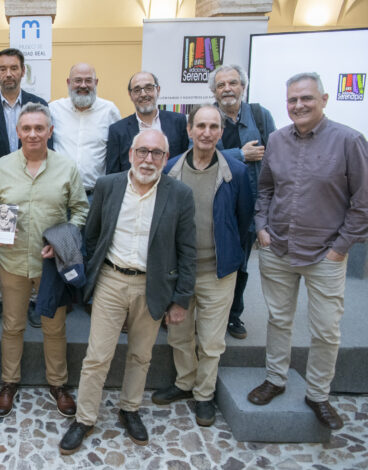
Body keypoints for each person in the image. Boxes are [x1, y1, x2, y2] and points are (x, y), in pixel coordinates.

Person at [59, 129, 196, 453]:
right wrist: (93, 275)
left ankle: (129, 408)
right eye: (143, 151)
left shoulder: (179, 194)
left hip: (153, 286)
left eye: (157, 153)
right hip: (111, 280)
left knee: (141, 354)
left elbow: (187, 250)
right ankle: (85, 417)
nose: (149, 159)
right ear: (131, 153)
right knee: (97, 356)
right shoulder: (109, 185)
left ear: (166, 157)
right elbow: (91, 236)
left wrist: (180, 300)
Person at [248, 72, 368, 430]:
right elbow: (265, 189)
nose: (298, 106)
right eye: (292, 100)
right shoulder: (276, 140)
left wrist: (339, 249)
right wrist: (262, 229)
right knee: (279, 320)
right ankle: (275, 379)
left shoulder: (350, 141)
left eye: (306, 99)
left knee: (326, 330)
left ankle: (318, 395)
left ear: (325, 99)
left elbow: (362, 203)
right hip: (278, 249)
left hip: (325, 255)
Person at [0, 102, 88, 418]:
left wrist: (63, 243)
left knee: (54, 327)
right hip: (12, 261)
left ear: (49, 131)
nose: (33, 134)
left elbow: (81, 210)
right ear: (18, 132)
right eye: (26, 128)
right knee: (12, 325)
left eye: (39, 128)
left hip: (50, 264)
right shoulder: (1, 167)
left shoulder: (66, 167)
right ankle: (8, 382)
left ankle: (58, 384)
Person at [152, 104, 253, 427]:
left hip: (218, 272)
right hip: (179, 273)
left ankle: (204, 395)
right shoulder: (169, 170)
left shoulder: (235, 171)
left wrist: (230, 255)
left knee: (211, 341)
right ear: (189, 130)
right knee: (179, 335)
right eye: (201, 126)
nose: (207, 133)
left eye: (213, 127)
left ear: (221, 133)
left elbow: (244, 218)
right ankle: (184, 383)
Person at [0, 48, 50, 328]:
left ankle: (32, 301)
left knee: (30, 239)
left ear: (23, 71)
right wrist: (6, 181)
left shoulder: (39, 104)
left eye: (14, 68)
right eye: (2, 68)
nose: (8, 73)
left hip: (35, 184)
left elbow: (45, 145)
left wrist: (27, 177)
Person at [208, 64, 277, 339]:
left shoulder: (260, 116)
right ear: (214, 90)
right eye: (221, 84)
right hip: (216, 205)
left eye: (233, 83)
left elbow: (276, 162)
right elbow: (199, 157)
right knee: (212, 262)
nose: (227, 89)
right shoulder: (207, 116)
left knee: (241, 264)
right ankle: (210, 313)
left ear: (242, 87)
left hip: (250, 207)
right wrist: (240, 154)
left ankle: (233, 315)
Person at [49, 62, 121, 200]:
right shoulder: (54, 110)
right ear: (68, 82)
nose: (83, 85)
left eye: (88, 80)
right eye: (78, 80)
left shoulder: (109, 111)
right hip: (60, 196)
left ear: (96, 82)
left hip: (95, 196)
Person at [106, 71, 190, 174]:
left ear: (158, 90)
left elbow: (185, 161)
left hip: (170, 187)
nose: (143, 94)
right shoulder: (117, 131)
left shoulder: (178, 122)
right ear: (130, 95)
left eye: (148, 88)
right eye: (137, 90)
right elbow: (112, 174)